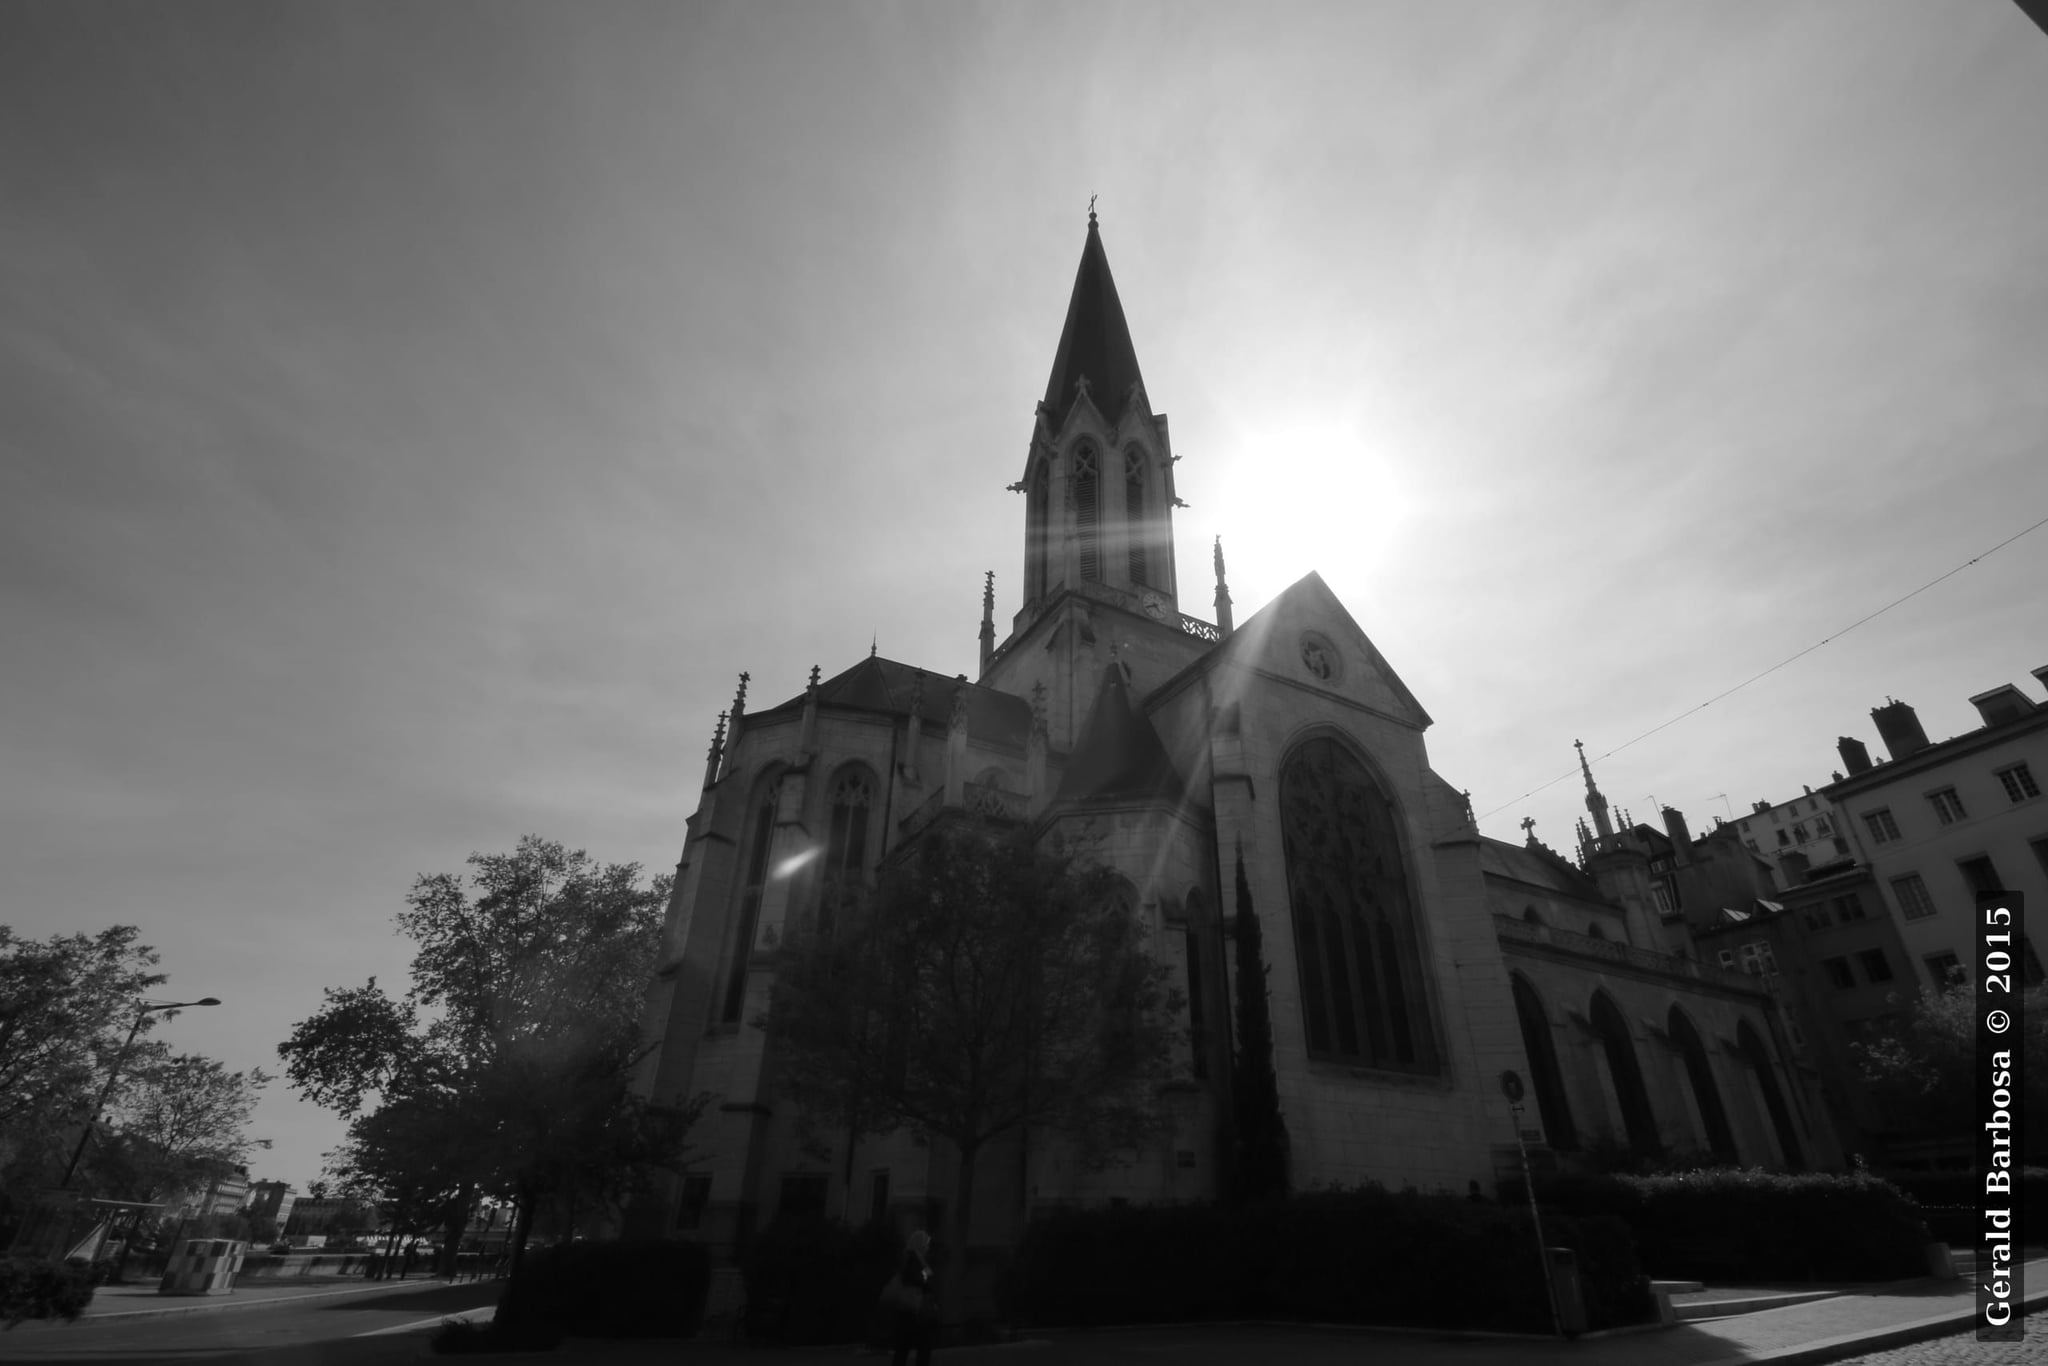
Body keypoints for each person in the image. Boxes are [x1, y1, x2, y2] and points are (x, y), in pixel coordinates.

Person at [889, 1229, 936, 1366]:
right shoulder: (915, 1260)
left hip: (907, 1310)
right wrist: (926, 1274)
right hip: (914, 1310)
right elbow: (925, 1278)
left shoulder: (908, 1258)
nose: (927, 1248)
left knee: (903, 1348)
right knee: (923, 1346)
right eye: (926, 1244)